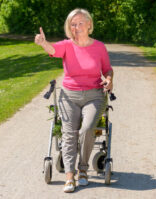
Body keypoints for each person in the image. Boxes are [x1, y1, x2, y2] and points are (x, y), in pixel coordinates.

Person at [34, 8, 113, 193]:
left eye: (79, 23)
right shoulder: (67, 45)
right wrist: (43, 42)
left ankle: (83, 169)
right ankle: (70, 175)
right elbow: (53, 50)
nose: (76, 27)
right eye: (72, 24)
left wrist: (109, 80)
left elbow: (108, 69)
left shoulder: (99, 47)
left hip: (94, 95)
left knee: (87, 129)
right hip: (69, 95)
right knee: (69, 133)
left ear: (89, 24)